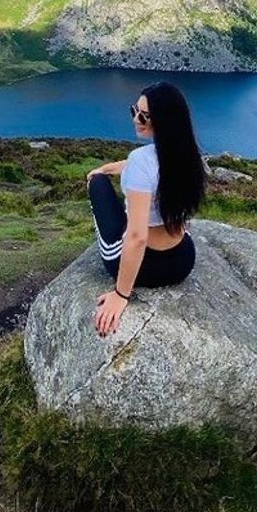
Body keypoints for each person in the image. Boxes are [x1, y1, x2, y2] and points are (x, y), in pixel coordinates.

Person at [85, 80, 206, 338]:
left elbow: (138, 237)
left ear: (162, 120)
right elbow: (143, 166)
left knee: (95, 184)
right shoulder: (187, 154)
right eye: (134, 111)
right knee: (104, 175)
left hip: (147, 267)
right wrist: (108, 168)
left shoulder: (140, 162)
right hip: (182, 259)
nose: (136, 119)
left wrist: (120, 295)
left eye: (144, 116)